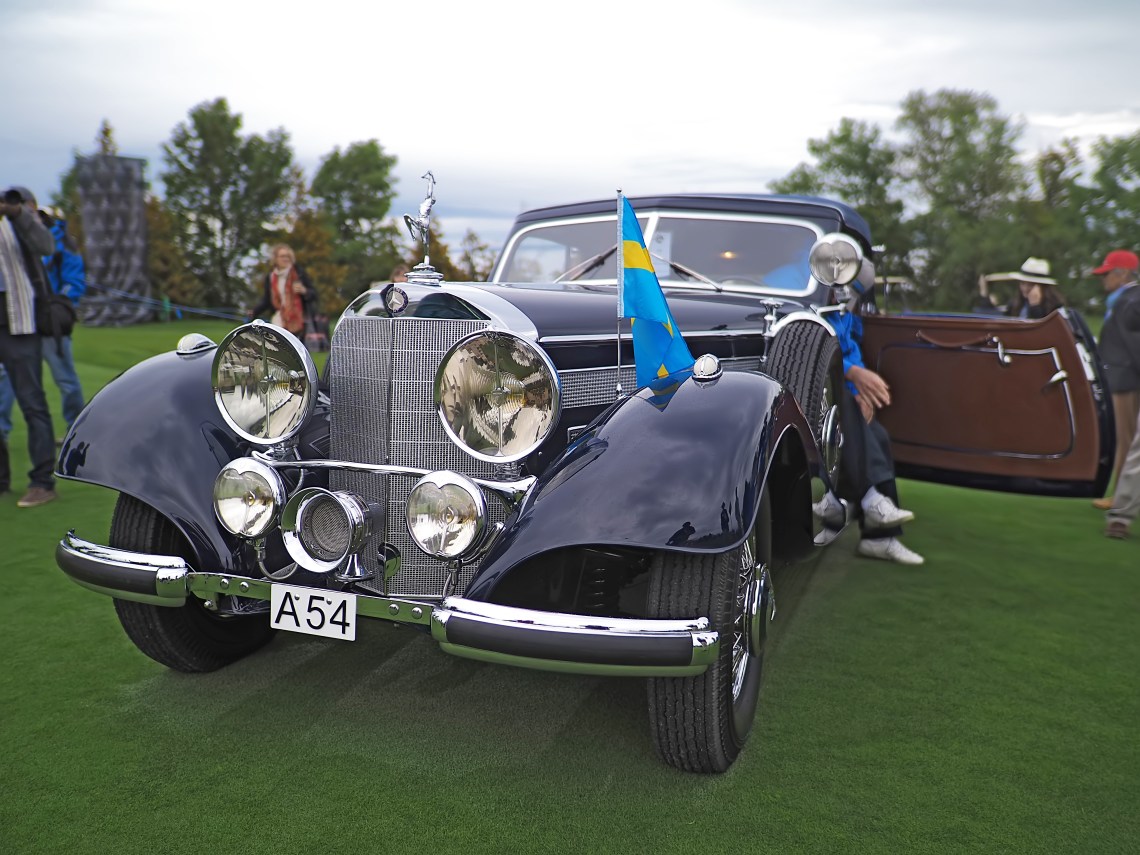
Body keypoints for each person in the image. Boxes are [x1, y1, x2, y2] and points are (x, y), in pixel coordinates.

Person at [812, 268, 924, 565]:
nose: (849, 296)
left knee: (878, 436)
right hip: (815, 396)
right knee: (848, 417)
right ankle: (868, 503)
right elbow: (819, 354)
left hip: (841, 396)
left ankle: (874, 532)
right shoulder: (815, 308)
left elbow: (851, 353)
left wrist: (858, 389)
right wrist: (853, 376)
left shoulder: (848, 317)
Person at [0, 206, 86, 434]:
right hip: (19, 323)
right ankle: (2, 435)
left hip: (50, 325)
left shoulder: (63, 243)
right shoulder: (10, 241)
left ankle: (77, 433)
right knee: (6, 380)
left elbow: (74, 283)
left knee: (66, 381)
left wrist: (57, 307)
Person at [0, 186, 58, 506]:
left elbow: (46, 245)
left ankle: (42, 482)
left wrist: (16, 213)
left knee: (32, 403)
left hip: (19, 324)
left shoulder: (20, 222)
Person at [1092, 249, 1140, 512]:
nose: (1103, 280)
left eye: (1107, 274)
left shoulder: (1128, 302)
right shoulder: (1127, 300)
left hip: (1125, 378)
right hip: (1125, 375)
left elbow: (1133, 345)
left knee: (1127, 439)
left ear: (1122, 274)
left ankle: (1121, 497)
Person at [248, 243, 317, 338]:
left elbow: (314, 294)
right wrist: (255, 311)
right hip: (279, 319)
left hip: (298, 320)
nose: (286, 259)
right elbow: (267, 300)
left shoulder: (299, 274)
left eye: (288, 256)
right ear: (275, 259)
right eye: (282, 256)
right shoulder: (271, 277)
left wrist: (304, 291)